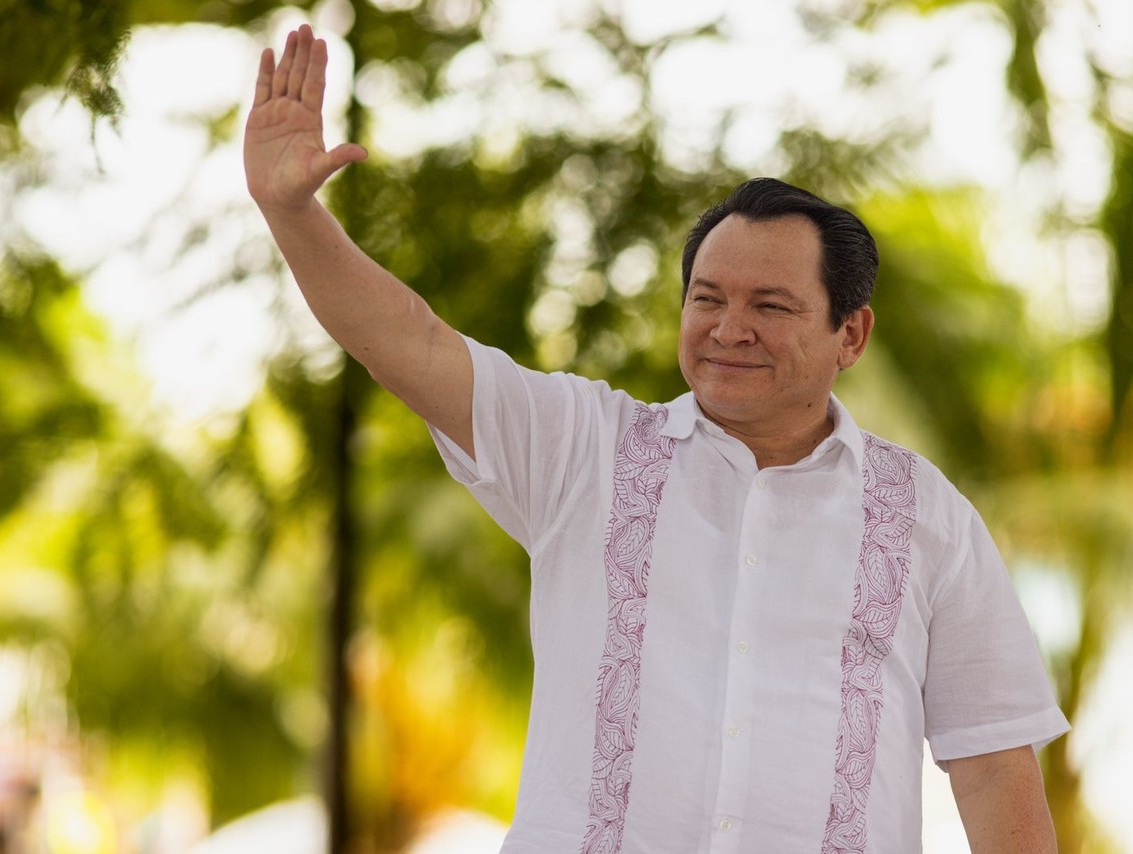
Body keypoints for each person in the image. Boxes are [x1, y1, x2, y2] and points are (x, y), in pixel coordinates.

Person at [245, 24, 1070, 853]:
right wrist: (293, 215)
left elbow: (996, 768)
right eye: (706, 298)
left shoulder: (927, 516)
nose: (728, 329)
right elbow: (413, 342)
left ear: (850, 336)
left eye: (770, 307)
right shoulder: (583, 452)